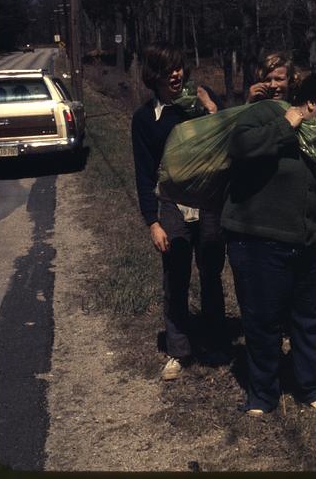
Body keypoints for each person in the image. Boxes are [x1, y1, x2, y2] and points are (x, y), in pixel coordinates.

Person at [223, 72, 316, 416]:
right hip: (260, 242)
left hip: (313, 244)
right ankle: (262, 394)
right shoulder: (265, 115)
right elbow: (239, 147)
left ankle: (310, 387)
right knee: (263, 320)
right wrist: (286, 125)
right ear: (311, 103)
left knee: (309, 319)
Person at [131, 42, 230, 381]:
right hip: (171, 203)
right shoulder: (145, 118)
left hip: (209, 200)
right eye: (166, 69)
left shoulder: (201, 103)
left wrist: (210, 107)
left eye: (178, 68)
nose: (175, 74)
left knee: (211, 273)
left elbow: (226, 138)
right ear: (153, 76)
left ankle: (216, 341)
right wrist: (152, 221)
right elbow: (145, 173)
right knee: (175, 275)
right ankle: (178, 349)